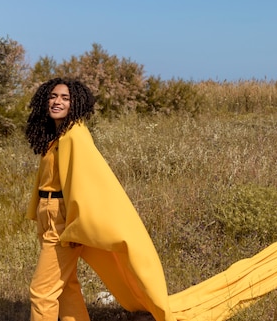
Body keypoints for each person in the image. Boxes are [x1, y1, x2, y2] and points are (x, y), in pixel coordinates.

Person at [25, 77, 175, 321]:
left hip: (63, 218)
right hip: (49, 214)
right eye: (53, 96)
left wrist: (77, 226)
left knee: (42, 292)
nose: (57, 102)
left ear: (75, 104)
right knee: (65, 287)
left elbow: (86, 184)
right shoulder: (56, 137)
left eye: (65, 98)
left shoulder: (75, 135)